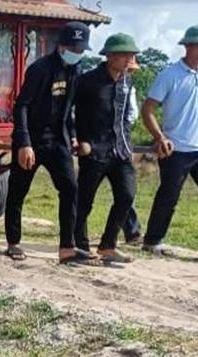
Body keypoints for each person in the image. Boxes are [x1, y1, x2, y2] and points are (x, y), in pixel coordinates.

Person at [5, 22, 90, 264]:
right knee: (18, 191)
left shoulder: (77, 70)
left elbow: (68, 108)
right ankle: (14, 242)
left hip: (58, 141)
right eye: (74, 48)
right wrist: (23, 143)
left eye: (81, 49)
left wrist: (72, 135)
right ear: (61, 46)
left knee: (70, 189)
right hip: (31, 140)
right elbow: (22, 106)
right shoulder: (39, 69)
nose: (78, 53)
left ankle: (67, 247)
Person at [141, 24, 198, 259]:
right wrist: (160, 137)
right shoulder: (169, 75)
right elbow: (148, 109)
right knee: (169, 195)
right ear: (188, 46)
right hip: (177, 147)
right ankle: (153, 239)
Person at [72, 33, 141, 264]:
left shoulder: (126, 82)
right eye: (125, 55)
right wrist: (76, 139)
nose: (129, 60)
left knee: (127, 195)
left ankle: (108, 245)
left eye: (131, 56)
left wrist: (128, 142)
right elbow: (67, 112)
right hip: (94, 150)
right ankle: (79, 246)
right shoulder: (87, 81)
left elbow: (125, 117)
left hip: (120, 150)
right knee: (84, 200)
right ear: (110, 56)